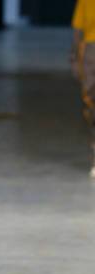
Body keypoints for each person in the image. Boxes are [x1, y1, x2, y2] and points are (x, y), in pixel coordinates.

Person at [71, 0, 95, 176]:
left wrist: (73, 56)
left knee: (92, 103)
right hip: (90, 53)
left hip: (90, 53)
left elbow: (78, 30)